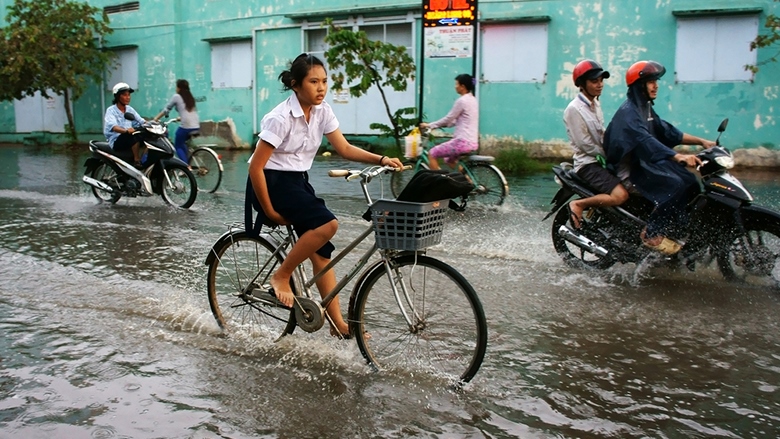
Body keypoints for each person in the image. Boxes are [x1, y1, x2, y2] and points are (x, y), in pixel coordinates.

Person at [246, 53, 403, 338]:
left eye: (324, 81)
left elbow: (344, 148)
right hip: (271, 182)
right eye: (313, 82)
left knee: (321, 252)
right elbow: (256, 167)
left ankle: (336, 323)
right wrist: (268, 210)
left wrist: (381, 159)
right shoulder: (280, 118)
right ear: (296, 85)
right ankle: (281, 275)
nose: (321, 88)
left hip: (297, 183)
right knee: (327, 224)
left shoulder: (322, 111)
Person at [604, 60, 715, 255]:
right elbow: (646, 141)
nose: (656, 85)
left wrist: (702, 141)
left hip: (645, 163)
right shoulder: (629, 114)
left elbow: (667, 132)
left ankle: (677, 229)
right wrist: (677, 156)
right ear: (639, 86)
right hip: (631, 170)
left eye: (656, 80)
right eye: (650, 81)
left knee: (690, 181)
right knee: (675, 185)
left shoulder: (644, 108)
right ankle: (652, 232)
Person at [564, 59, 629, 229]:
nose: (599, 85)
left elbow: (602, 133)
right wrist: (610, 154)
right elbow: (585, 144)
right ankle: (579, 205)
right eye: (594, 81)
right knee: (620, 195)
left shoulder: (595, 104)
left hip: (601, 160)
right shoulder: (574, 109)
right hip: (588, 164)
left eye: (601, 81)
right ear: (582, 84)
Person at [419, 73, 479, 170]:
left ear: (462, 87)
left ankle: (440, 182)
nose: (455, 87)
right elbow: (456, 121)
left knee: (432, 154)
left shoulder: (462, 101)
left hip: (462, 142)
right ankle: (468, 182)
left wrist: (430, 125)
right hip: (472, 142)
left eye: (457, 84)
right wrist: (445, 124)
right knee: (448, 160)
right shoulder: (473, 100)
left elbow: (449, 118)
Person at [153, 79, 199, 163]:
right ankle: (187, 162)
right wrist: (180, 118)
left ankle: (185, 167)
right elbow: (189, 112)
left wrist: (155, 119)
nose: (176, 88)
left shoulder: (176, 97)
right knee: (182, 143)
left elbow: (166, 110)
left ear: (179, 88)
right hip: (196, 125)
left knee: (177, 145)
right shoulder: (190, 97)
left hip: (186, 126)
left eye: (176, 87)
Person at [104, 82, 146, 168]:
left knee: (149, 136)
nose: (128, 97)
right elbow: (114, 127)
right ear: (117, 96)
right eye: (125, 95)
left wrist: (154, 125)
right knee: (133, 136)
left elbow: (141, 121)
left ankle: (145, 160)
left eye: (129, 95)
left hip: (128, 138)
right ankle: (137, 160)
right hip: (116, 140)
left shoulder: (130, 110)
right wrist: (126, 130)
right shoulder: (111, 111)